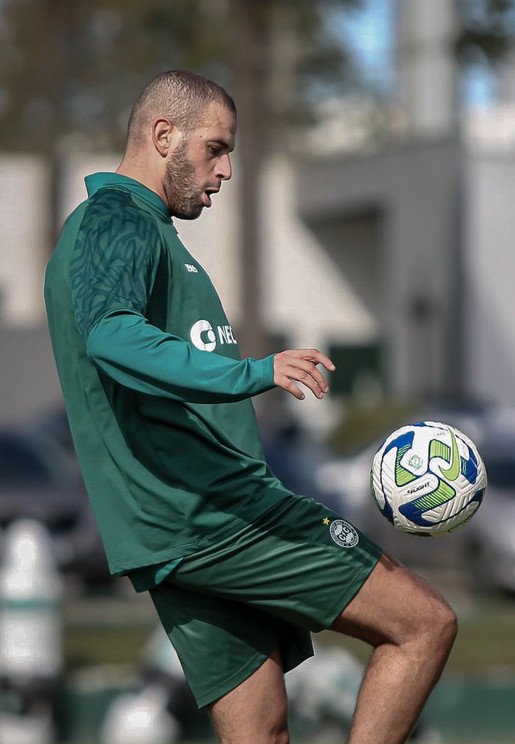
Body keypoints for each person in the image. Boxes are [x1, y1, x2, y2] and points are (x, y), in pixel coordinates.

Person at [43, 69, 456, 744]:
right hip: (216, 515)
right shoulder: (116, 221)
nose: (226, 169)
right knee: (424, 625)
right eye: (215, 148)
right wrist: (253, 373)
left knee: (260, 730)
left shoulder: (139, 231)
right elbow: (111, 336)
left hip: (176, 537)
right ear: (163, 135)